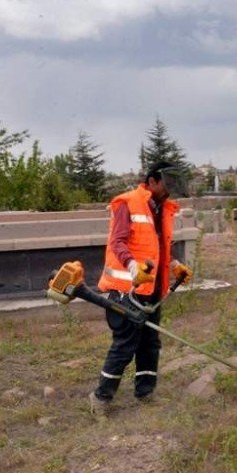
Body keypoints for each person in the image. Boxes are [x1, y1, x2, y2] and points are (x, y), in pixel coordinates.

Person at [89, 161, 193, 413]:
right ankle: (101, 398)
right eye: (166, 182)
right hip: (127, 292)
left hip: (152, 291)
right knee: (125, 345)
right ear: (151, 181)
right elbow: (117, 242)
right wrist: (132, 266)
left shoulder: (162, 209)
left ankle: (145, 392)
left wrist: (173, 264)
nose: (170, 188)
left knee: (149, 344)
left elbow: (154, 249)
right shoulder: (128, 203)